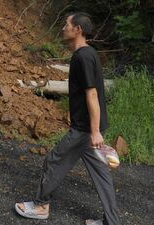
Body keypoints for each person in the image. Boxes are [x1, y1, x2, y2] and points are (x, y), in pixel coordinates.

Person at [14, 12, 121, 225]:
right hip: (88, 127)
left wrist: (94, 130)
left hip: (85, 130)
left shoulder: (83, 56)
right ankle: (112, 222)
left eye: (67, 24)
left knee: (54, 160)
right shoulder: (87, 54)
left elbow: (92, 94)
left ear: (77, 30)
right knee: (100, 173)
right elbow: (86, 92)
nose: (63, 27)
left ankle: (40, 205)